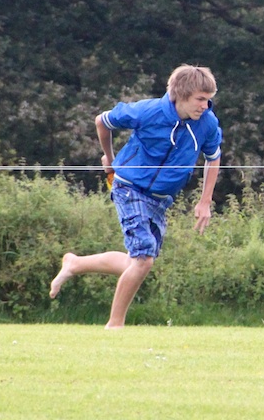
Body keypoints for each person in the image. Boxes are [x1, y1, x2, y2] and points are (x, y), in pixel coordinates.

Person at [50, 64, 222, 328]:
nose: (205, 105)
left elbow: (213, 157)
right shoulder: (147, 111)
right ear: (181, 95)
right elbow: (102, 121)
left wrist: (205, 201)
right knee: (143, 258)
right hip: (129, 187)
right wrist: (109, 158)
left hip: (161, 199)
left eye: (208, 99)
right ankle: (115, 325)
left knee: (137, 261)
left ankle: (75, 264)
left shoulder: (207, 123)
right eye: (200, 99)